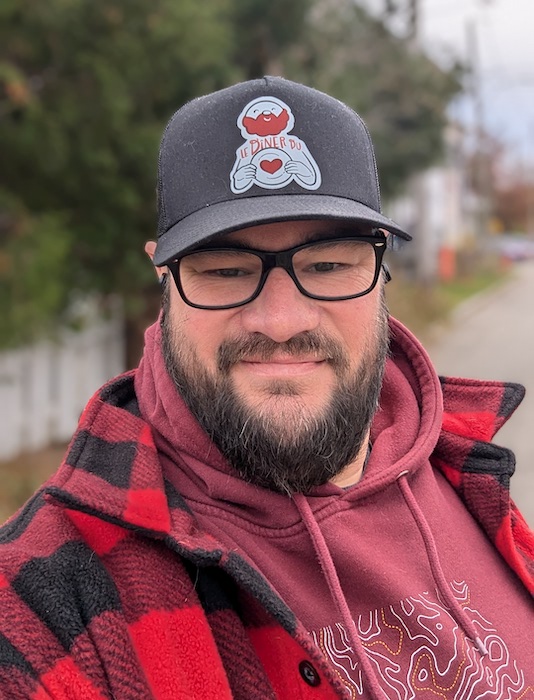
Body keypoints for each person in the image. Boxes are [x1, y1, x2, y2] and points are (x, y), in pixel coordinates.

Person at [0, 77, 532, 700]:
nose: (281, 322)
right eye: (225, 270)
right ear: (163, 277)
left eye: (329, 264)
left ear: (382, 267)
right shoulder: (46, 608)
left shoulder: (464, 473)